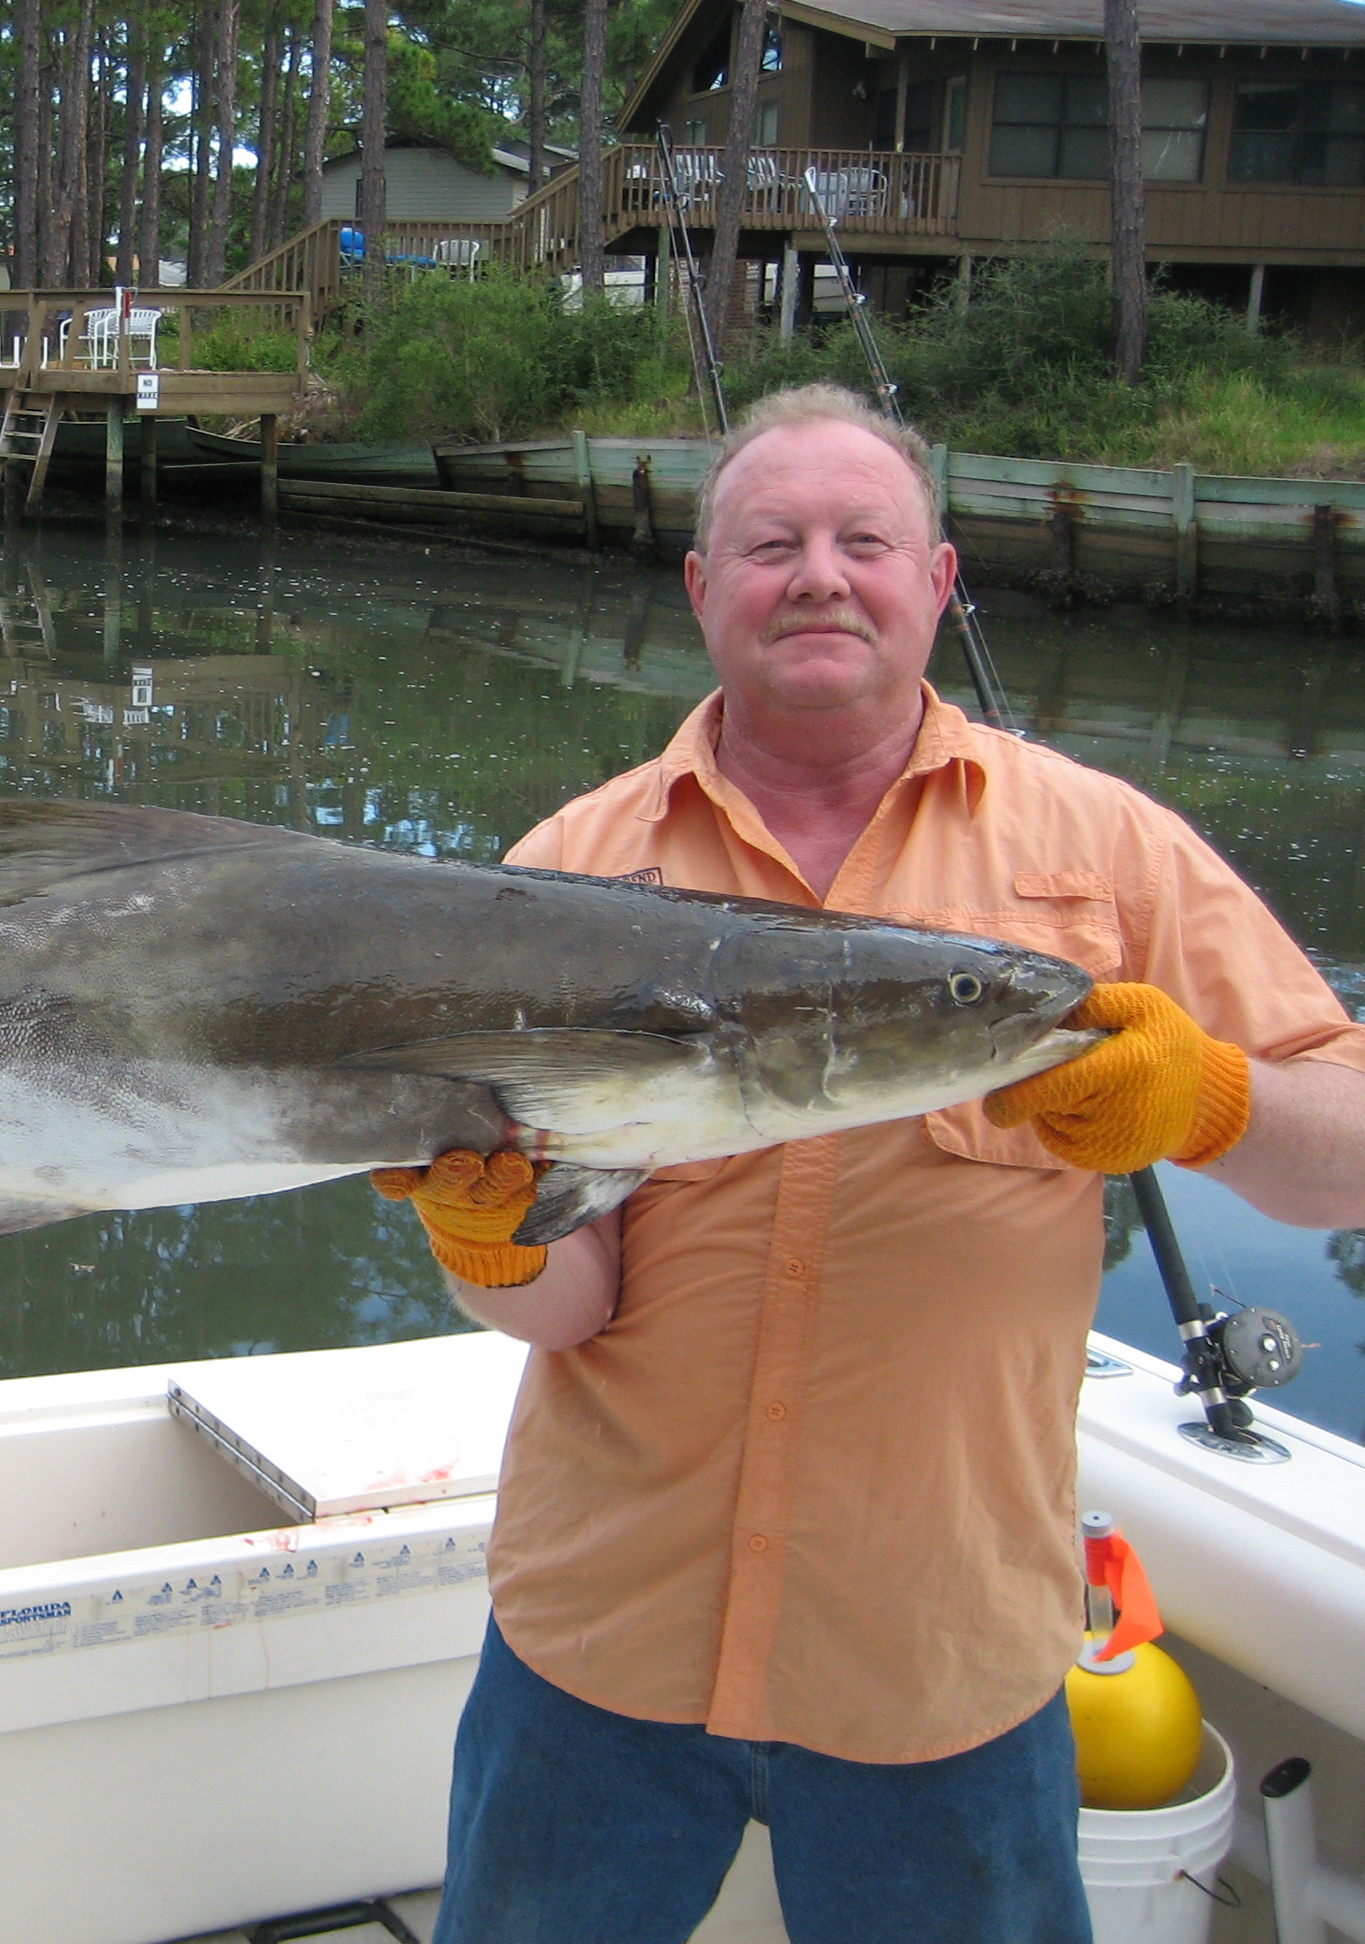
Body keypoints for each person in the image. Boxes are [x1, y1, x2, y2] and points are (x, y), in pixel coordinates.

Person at [377, 384, 1365, 1944]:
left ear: (940, 581)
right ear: (705, 591)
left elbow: (1353, 1158)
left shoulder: (1107, 854)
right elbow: (567, 1312)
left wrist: (1208, 1100)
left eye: (865, 539)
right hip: (601, 1650)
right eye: (770, 543)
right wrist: (493, 1241)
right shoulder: (561, 876)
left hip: (942, 1670)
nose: (819, 574)